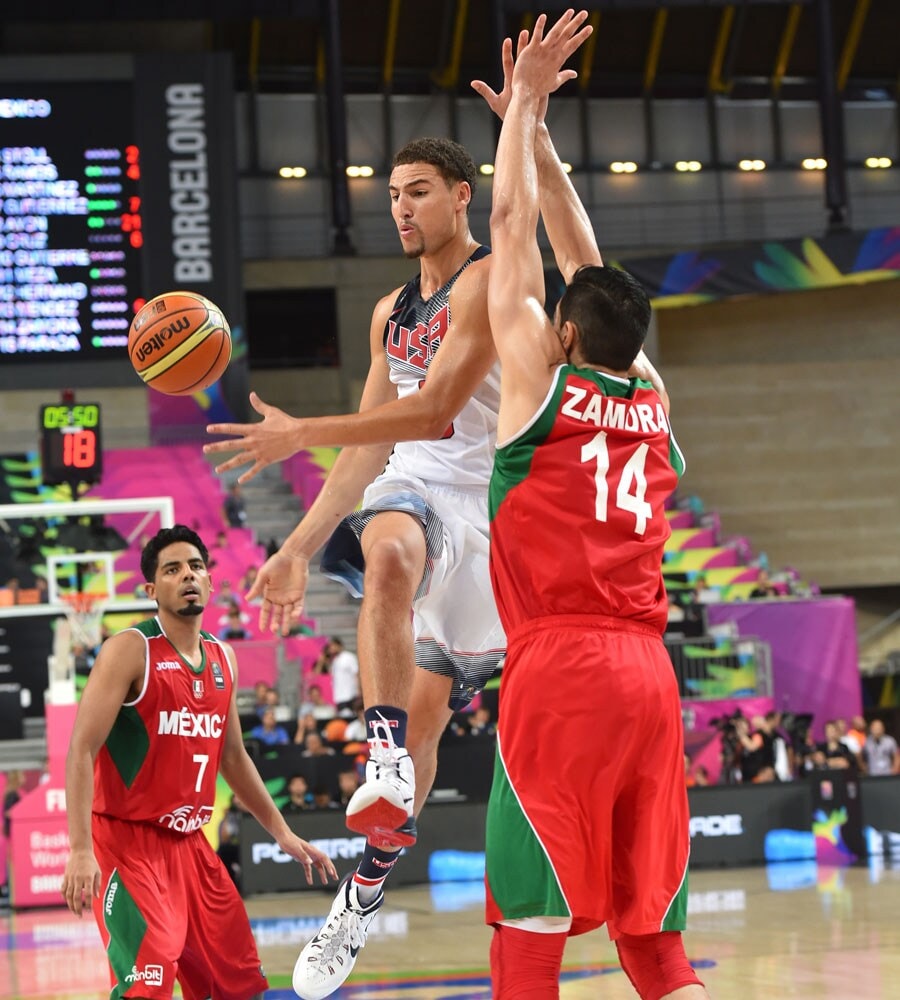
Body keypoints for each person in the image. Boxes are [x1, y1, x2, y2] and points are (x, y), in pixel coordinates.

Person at [204, 44, 595, 1000]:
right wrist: (296, 548)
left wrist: (528, 126)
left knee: (459, 738)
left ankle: (374, 874)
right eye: (391, 195)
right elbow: (377, 447)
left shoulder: (494, 280)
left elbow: (429, 413)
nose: (400, 208)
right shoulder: (389, 311)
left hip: (500, 506)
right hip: (421, 494)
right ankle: (373, 779)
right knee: (385, 554)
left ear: (461, 195)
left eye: (417, 190)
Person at [481, 13, 708, 998]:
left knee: (528, 928)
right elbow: (587, 260)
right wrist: (532, 133)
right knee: (654, 943)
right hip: (649, 676)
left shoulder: (539, 381)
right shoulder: (650, 393)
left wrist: (524, 103)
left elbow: (508, 234)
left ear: (565, 332)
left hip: (561, 665)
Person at [60, 524, 337, 1000]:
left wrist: (283, 834)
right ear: (151, 589)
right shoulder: (130, 650)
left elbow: (232, 755)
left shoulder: (222, 658)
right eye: (172, 569)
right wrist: (80, 849)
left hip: (191, 845)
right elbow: (81, 749)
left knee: (234, 980)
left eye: (195, 566)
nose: (187, 575)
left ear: (210, 581)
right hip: (128, 844)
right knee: (147, 980)